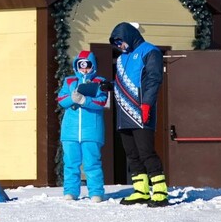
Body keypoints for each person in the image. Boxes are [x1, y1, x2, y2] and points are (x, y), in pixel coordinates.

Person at [109, 22, 168, 207]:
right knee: (132, 154)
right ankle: (141, 190)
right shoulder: (121, 59)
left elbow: (153, 79)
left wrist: (147, 104)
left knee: (146, 152)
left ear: (129, 36)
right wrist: (109, 85)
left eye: (121, 41)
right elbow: (125, 82)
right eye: (116, 43)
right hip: (123, 113)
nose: (120, 46)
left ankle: (159, 191)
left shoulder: (150, 51)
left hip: (141, 110)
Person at [56, 50, 109, 202]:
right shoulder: (69, 81)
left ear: (93, 66)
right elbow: (61, 99)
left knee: (92, 163)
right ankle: (70, 191)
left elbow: (102, 101)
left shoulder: (99, 82)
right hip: (70, 131)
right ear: (76, 66)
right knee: (71, 163)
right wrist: (73, 98)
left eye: (87, 66)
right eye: (81, 66)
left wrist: (84, 100)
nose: (84, 69)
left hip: (91, 130)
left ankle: (96, 192)